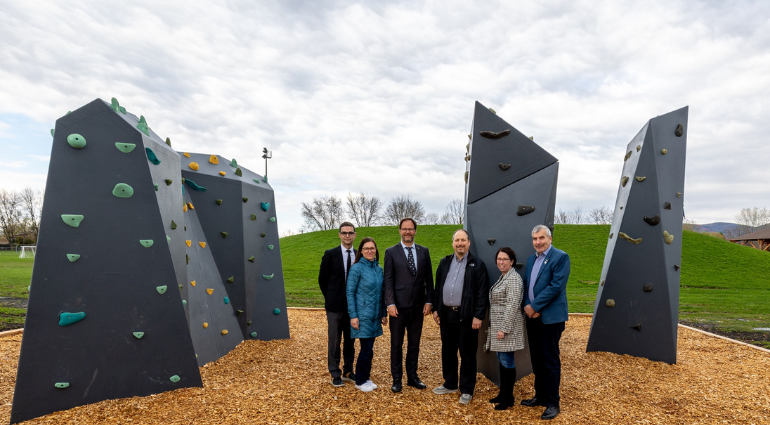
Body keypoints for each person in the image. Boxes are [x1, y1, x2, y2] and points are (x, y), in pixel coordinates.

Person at [431, 229, 489, 405]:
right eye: (457, 240)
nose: (460, 243)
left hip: (467, 317)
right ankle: (450, 383)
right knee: (448, 351)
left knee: (467, 354)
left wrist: (478, 316)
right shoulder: (445, 262)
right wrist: (436, 309)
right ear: (453, 243)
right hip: (446, 315)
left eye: (463, 240)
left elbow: (482, 293)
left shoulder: (477, 264)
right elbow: (438, 287)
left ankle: (467, 389)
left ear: (469, 243)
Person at [521, 225, 571, 420]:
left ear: (549, 238)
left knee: (550, 360)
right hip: (532, 317)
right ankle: (540, 396)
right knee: (537, 359)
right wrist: (527, 306)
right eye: (534, 239)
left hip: (550, 319)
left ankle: (553, 402)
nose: (538, 242)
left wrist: (534, 306)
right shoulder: (532, 258)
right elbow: (527, 285)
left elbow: (556, 286)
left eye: (541, 238)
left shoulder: (560, 257)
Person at [383, 217, 434, 393]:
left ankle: (412, 377)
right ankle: (397, 379)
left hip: (418, 307)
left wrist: (429, 301)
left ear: (415, 231)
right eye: (404, 229)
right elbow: (388, 280)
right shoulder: (391, 252)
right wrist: (389, 303)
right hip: (398, 308)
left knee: (414, 344)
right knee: (396, 344)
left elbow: (429, 278)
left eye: (410, 229)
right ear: (399, 231)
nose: (407, 232)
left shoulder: (423, 251)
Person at [318, 222, 357, 387]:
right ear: (339, 235)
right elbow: (322, 279)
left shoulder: (359, 255)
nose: (347, 235)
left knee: (350, 340)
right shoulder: (330, 254)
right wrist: (330, 298)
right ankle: (335, 373)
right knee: (334, 340)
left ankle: (348, 370)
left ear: (354, 235)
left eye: (350, 232)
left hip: (353, 306)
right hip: (335, 306)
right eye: (344, 233)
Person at [346, 237, 388, 392]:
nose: (370, 251)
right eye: (366, 248)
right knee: (366, 348)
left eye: (372, 248)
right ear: (361, 251)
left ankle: (366, 377)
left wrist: (384, 313)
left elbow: (382, 293)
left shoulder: (378, 269)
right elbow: (350, 293)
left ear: (376, 250)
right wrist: (353, 316)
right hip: (362, 315)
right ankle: (360, 380)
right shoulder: (356, 268)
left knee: (370, 349)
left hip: (375, 315)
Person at [487, 247, 526, 410]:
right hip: (499, 326)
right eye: (499, 259)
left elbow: (512, 306)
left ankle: (508, 398)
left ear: (512, 261)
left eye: (505, 259)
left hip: (507, 327)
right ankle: (503, 393)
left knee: (507, 361)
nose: (501, 262)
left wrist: (503, 328)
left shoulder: (514, 279)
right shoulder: (504, 277)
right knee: (502, 360)